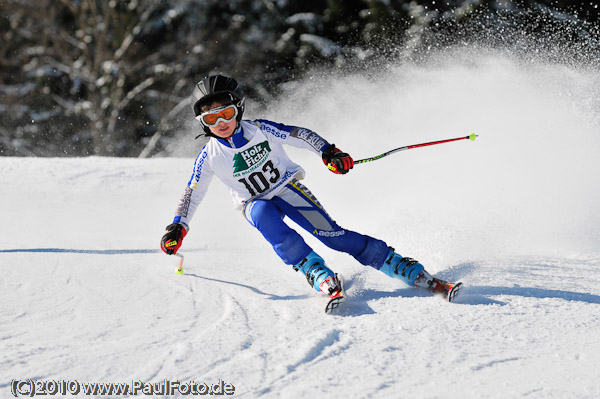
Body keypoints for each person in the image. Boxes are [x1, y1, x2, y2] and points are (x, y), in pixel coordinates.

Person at [161, 73, 456, 301]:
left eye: (225, 113)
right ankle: (314, 269)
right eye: (211, 118)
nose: (221, 122)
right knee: (263, 214)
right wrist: (178, 226)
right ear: (203, 123)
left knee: (334, 237)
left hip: (286, 188)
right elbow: (192, 193)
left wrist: (329, 152)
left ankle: (398, 264)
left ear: (238, 109)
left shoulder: (260, 129)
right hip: (253, 203)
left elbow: (299, 134)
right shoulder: (208, 157)